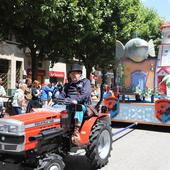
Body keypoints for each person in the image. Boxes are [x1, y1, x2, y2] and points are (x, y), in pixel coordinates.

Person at [60, 63, 92, 145]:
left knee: (78, 108)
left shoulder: (86, 82)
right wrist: (57, 99)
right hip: (69, 105)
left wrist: (77, 100)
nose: (73, 75)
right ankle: (61, 129)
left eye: (75, 73)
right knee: (56, 108)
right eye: (71, 73)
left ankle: (76, 131)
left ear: (80, 74)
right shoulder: (68, 85)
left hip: (83, 105)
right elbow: (62, 94)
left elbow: (86, 94)